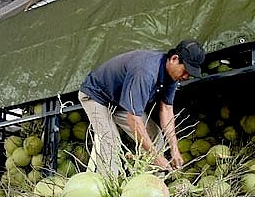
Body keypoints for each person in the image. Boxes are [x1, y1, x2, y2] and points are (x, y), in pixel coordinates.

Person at [78, 39, 206, 175]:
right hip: (96, 96)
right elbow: (133, 120)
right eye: (186, 70)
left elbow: (166, 109)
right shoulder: (145, 72)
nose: (186, 76)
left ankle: (153, 187)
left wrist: (174, 147)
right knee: (111, 145)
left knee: (156, 137)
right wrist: (156, 157)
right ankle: (107, 190)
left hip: (119, 101)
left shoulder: (172, 77)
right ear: (174, 59)